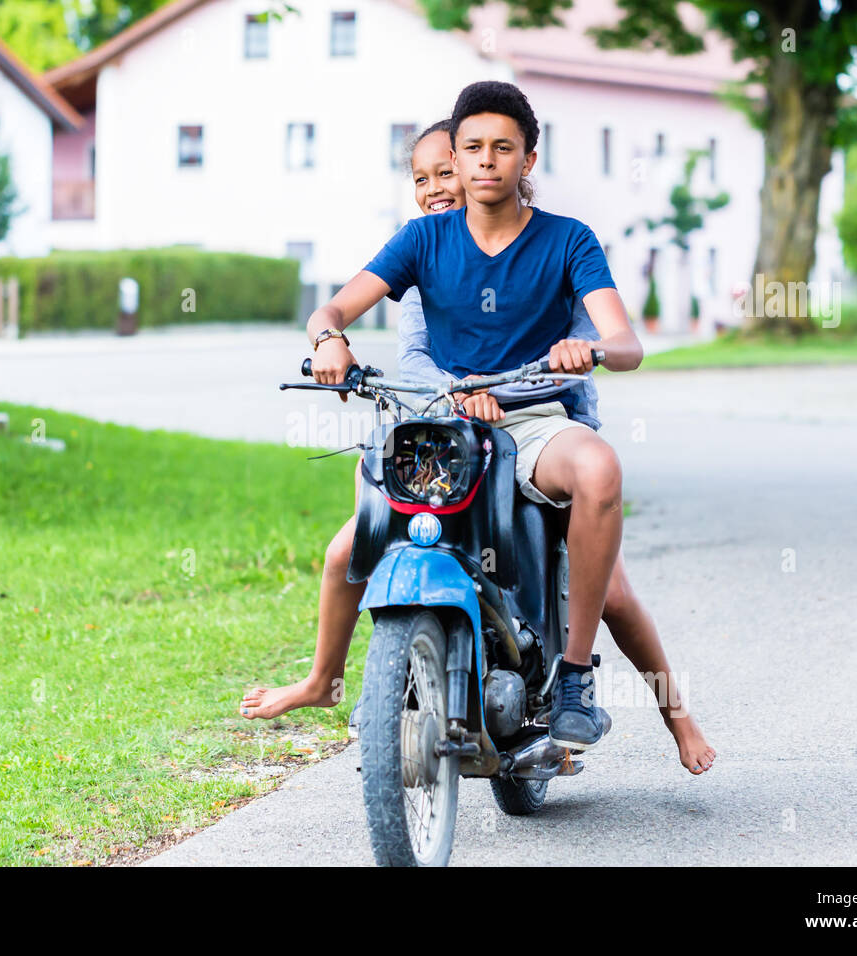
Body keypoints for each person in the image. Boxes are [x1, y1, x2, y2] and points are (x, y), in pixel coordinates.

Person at [243, 102, 714, 772]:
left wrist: (589, 347)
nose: (483, 162)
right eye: (470, 149)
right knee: (348, 546)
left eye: (502, 147)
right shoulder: (422, 241)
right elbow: (334, 307)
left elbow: (626, 342)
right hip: (442, 425)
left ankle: (579, 678)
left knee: (602, 495)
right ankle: (327, 679)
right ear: (457, 161)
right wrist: (329, 338)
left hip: (535, 416)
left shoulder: (567, 238)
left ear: (528, 158)